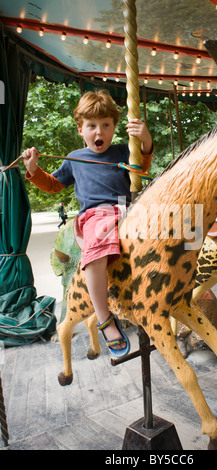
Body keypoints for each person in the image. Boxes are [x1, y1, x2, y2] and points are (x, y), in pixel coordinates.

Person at [23, 89, 153, 358]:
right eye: (92, 126)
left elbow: (142, 167)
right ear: (80, 129)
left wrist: (146, 140)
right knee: (97, 250)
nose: (99, 132)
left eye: (106, 125)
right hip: (97, 214)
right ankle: (105, 320)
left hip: (127, 208)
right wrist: (34, 170)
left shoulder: (122, 151)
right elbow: (54, 184)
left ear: (114, 127)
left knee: (179, 224)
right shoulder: (74, 158)